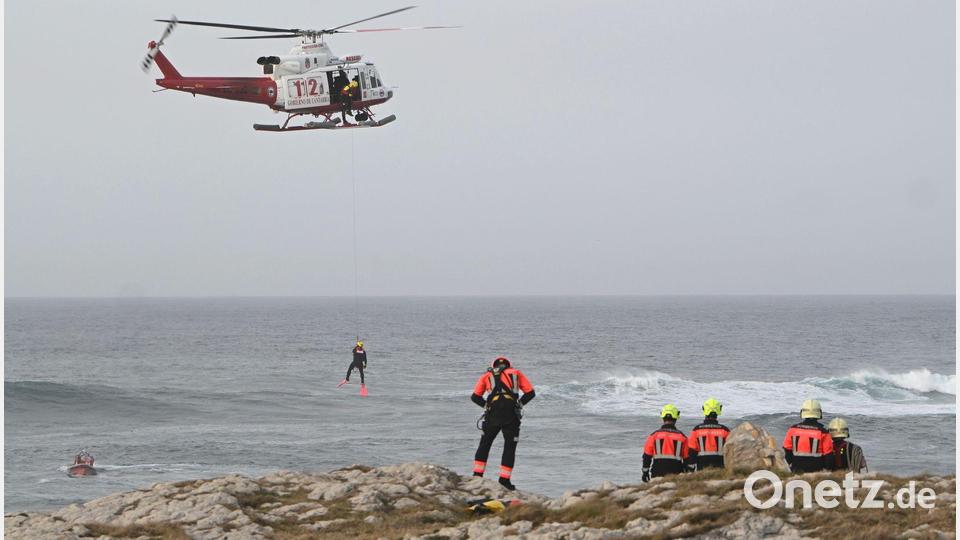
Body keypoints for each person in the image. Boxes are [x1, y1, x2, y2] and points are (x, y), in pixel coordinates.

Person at [470, 356, 535, 491]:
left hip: (492, 415)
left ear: (493, 366)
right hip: (511, 415)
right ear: (509, 365)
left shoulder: (486, 376)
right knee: (509, 447)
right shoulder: (516, 373)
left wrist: (486, 406)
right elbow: (530, 393)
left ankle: (477, 476)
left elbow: (475, 397)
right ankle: (504, 480)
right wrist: (519, 405)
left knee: (485, 444)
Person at [782, 399, 834, 472]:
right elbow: (829, 457)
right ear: (819, 413)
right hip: (817, 474)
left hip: (796, 471)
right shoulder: (823, 432)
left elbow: (787, 454)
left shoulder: (792, 430)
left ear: (802, 412)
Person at [642, 404, 689, 482]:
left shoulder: (654, 436)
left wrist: (645, 472)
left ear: (663, 417)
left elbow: (647, 457)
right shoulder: (682, 437)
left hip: (657, 473)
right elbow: (687, 459)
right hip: (676, 474)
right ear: (676, 418)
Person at [685, 398, 731, 471]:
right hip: (720, 465)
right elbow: (730, 450)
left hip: (702, 465)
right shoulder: (725, 430)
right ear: (719, 410)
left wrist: (690, 466)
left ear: (704, 410)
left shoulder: (697, 430)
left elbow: (692, 451)